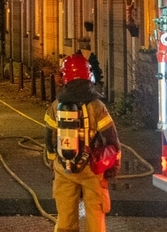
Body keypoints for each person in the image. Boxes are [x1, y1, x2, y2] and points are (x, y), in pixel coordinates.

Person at [44, 53, 121, 232]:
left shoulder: (56, 105)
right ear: (88, 75)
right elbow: (112, 139)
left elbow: (49, 139)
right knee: (95, 215)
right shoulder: (96, 106)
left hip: (64, 168)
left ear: (65, 77)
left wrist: (54, 163)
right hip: (91, 169)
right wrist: (114, 165)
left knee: (65, 218)